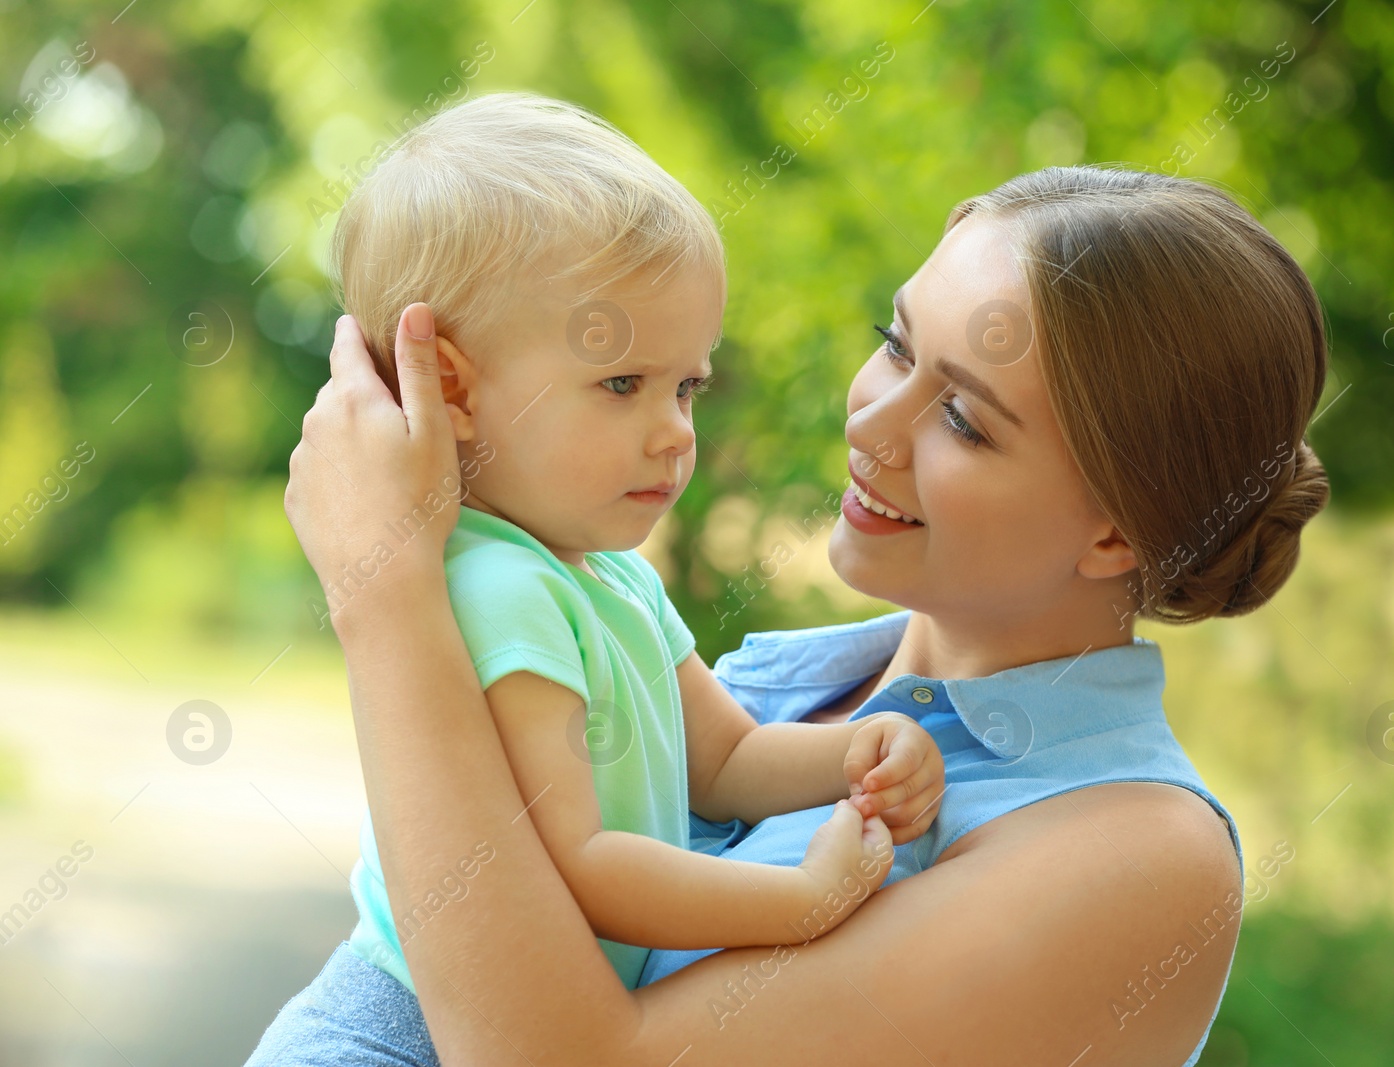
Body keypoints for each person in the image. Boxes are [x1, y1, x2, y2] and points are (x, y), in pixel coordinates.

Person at [275, 163, 1330, 1065]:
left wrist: (384, 597)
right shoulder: (778, 693)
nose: (870, 418)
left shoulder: (1137, 857)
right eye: (895, 342)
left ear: (1115, 532)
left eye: (961, 416)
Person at [248, 93, 946, 1063]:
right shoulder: (497, 588)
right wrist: (803, 898)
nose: (674, 431)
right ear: (452, 387)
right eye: (623, 384)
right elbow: (585, 864)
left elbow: (725, 763)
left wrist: (852, 755)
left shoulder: (609, 576)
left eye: (686, 384)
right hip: (394, 1033)